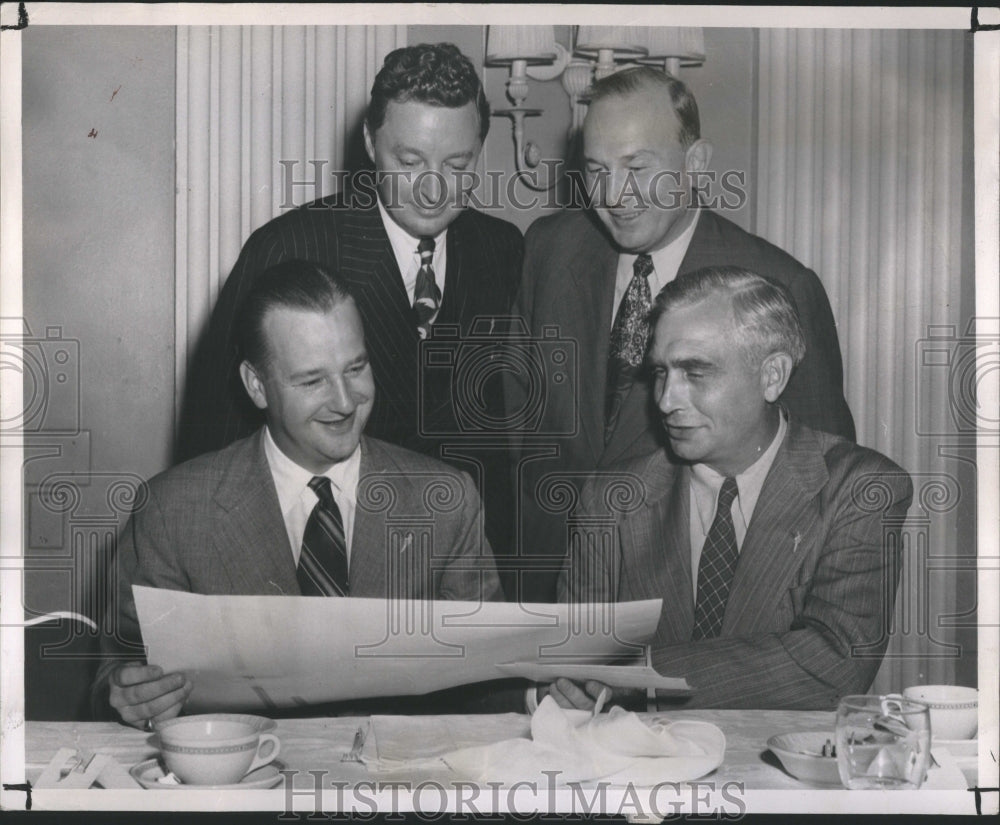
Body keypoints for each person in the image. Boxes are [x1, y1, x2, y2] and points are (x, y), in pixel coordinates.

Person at [95, 261, 502, 728]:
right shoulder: (172, 511)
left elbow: (487, 679)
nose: (346, 401)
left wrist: (542, 695)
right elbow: (118, 672)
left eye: (356, 367)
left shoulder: (447, 500)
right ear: (256, 385)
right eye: (313, 381)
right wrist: (129, 697)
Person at [176, 43, 523, 578]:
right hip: (314, 565)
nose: (434, 189)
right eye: (409, 162)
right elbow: (212, 445)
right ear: (368, 142)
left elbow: (499, 438)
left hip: (460, 571)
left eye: (458, 163)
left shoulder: (502, 250)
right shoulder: (288, 247)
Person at [510, 67, 854, 601]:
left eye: (637, 167)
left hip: (692, 602)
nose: (615, 195)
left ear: (695, 164)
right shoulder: (550, 247)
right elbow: (516, 419)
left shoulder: (780, 284)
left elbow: (820, 480)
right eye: (597, 170)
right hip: (547, 579)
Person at [550, 266, 911, 710]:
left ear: (772, 376)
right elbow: (574, 665)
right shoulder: (612, 497)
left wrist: (639, 673)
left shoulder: (859, 488)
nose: (665, 400)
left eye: (695, 373)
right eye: (661, 372)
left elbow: (835, 663)